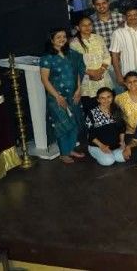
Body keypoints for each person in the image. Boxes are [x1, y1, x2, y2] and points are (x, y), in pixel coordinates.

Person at [40, 28, 85, 163]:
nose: (62, 39)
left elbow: (77, 72)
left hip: (73, 95)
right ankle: (64, 153)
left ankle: (70, 149)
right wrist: (57, 97)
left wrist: (79, 89)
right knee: (63, 125)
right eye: (58, 37)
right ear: (51, 40)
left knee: (75, 122)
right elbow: (45, 80)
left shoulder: (71, 54)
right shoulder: (47, 58)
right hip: (56, 97)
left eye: (64, 36)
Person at [71, 16, 114, 108]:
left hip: (104, 78)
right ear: (77, 27)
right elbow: (75, 64)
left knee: (109, 108)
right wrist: (91, 73)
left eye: (89, 24)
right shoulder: (74, 44)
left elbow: (106, 56)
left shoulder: (99, 38)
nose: (87, 27)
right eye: (84, 25)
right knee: (92, 109)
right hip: (87, 81)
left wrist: (101, 70)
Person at [109, 6, 137, 90]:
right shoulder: (117, 33)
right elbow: (114, 56)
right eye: (129, 15)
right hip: (129, 75)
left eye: (135, 15)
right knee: (132, 98)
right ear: (124, 17)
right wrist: (119, 75)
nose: (133, 17)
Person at [84, 87, 126, 166]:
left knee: (123, 158)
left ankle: (112, 154)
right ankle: (97, 153)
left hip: (115, 146)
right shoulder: (92, 113)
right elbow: (90, 134)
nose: (106, 100)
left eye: (108, 97)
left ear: (112, 97)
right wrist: (102, 146)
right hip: (98, 146)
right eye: (102, 98)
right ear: (98, 100)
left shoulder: (116, 109)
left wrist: (122, 142)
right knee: (108, 161)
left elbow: (122, 128)